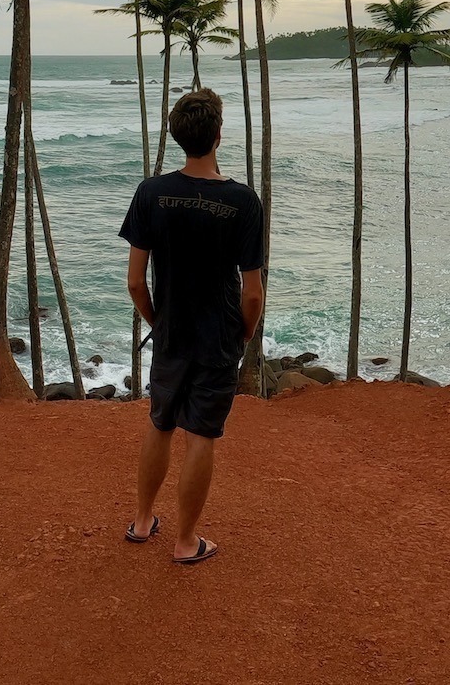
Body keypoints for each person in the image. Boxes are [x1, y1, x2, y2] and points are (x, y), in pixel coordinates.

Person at [121, 87, 265, 566]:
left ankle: (143, 521)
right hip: (218, 335)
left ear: (177, 136)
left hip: (171, 333)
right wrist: (244, 333)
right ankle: (186, 542)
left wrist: (158, 323)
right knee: (201, 435)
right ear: (218, 135)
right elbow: (252, 293)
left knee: (159, 423)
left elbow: (135, 282)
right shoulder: (243, 201)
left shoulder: (150, 193)